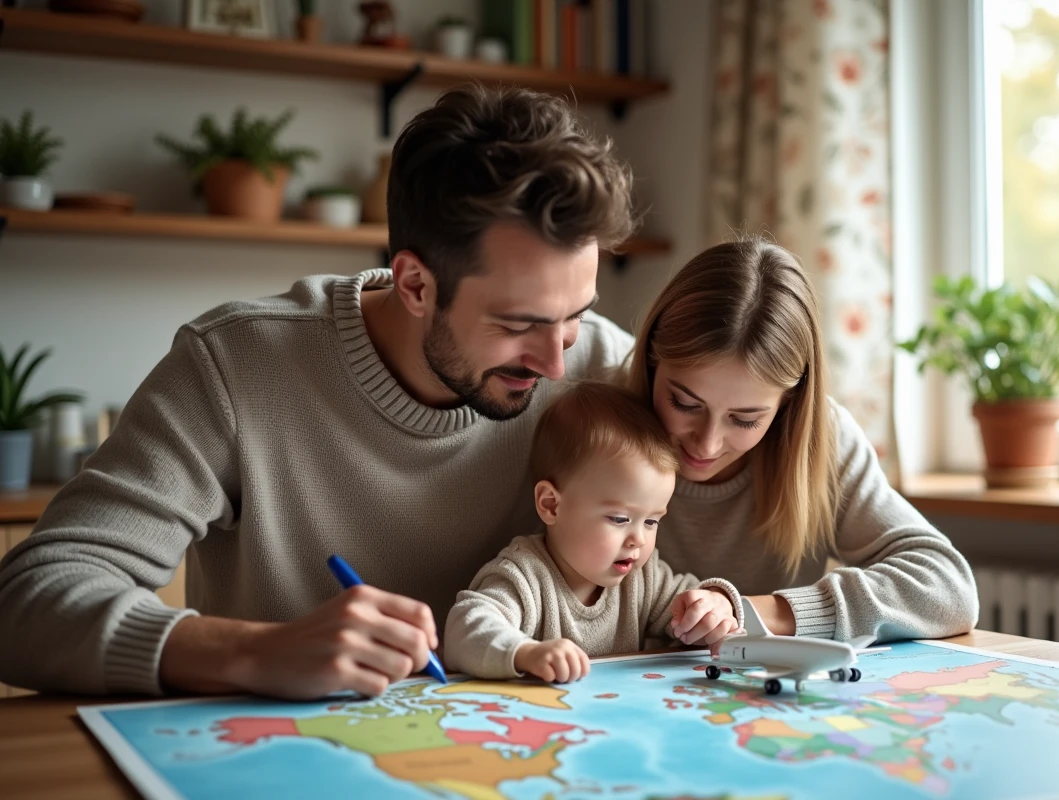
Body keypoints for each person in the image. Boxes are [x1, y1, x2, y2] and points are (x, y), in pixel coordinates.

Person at [0, 85, 638, 699]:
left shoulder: (603, 365)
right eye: (518, 325)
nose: (558, 363)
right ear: (415, 285)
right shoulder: (234, 365)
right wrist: (255, 653)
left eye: (577, 314)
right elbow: (26, 603)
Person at [627, 238, 979, 645]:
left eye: (745, 419)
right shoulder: (596, 425)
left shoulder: (822, 441)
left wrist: (747, 611)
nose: (706, 445)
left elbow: (948, 590)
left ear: (787, 404)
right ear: (651, 362)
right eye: (685, 403)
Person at [444, 382, 743, 683]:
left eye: (651, 522)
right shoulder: (524, 576)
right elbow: (464, 630)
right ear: (551, 505)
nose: (638, 539)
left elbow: (692, 609)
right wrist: (525, 652)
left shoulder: (643, 579)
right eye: (620, 518)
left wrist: (713, 609)